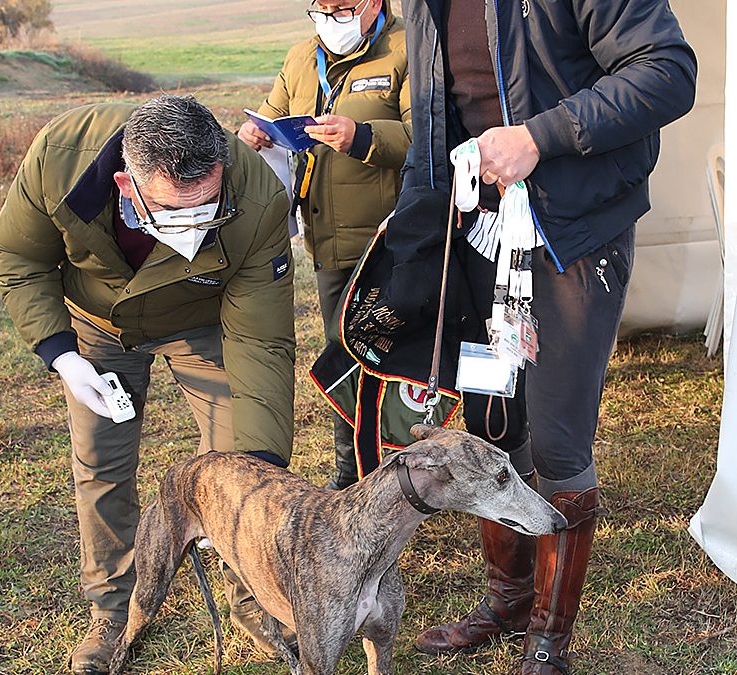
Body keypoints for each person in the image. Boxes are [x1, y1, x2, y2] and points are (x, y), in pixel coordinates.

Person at [395, 1, 697, 672]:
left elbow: (668, 70)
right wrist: (420, 220)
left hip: (570, 233)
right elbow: (432, 107)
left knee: (558, 443)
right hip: (477, 234)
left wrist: (539, 135)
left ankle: (547, 633)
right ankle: (505, 599)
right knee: (490, 421)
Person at [0, 94, 296, 673]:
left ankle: (253, 597)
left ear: (221, 173)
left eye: (205, 209)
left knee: (242, 463)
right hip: (98, 326)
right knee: (101, 464)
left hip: (201, 320)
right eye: (174, 214)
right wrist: (63, 357)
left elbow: (261, 343)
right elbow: (19, 255)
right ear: (128, 186)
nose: (192, 227)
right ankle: (112, 611)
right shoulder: (59, 159)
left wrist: (250, 466)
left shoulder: (255, 200)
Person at [238, 0, 411, 490]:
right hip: (326, 244)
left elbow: (427, 137)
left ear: (373, 3)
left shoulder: (406, 49)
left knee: (391, 361)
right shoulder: (300, 58)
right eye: (322, 8)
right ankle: (350, 478)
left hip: (387, 243)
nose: (330, 18)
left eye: (342, 8)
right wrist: (254, 134)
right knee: (342, 356)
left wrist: (362, 137)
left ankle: (402, 475)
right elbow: (271, 117)